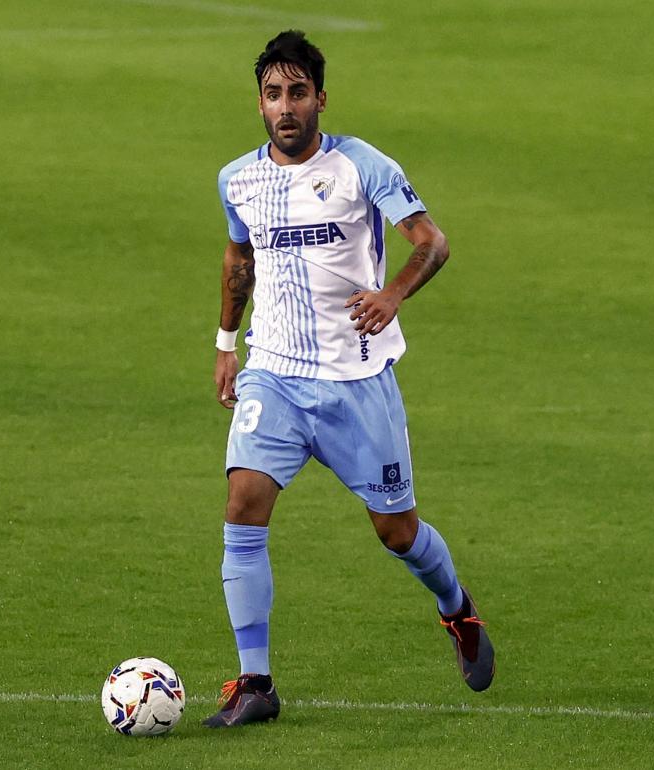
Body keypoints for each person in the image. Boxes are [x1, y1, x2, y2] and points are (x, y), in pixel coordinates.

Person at [203, 30, 495, 729]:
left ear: (320, 99)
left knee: (397, 532)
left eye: (297, 92)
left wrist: (392, 295)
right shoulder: (237, 179)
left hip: (356, 383)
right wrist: (225, 342)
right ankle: (255, 683)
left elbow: (433, 242)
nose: (285, 108)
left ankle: (457, 610)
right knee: (243, 502)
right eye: (273, 94)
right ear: (260, 103)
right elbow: (238, 259)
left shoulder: (361, 166)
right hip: (274, 375)